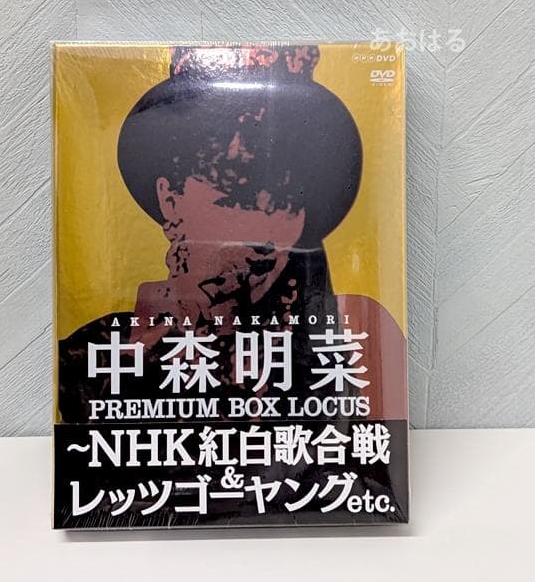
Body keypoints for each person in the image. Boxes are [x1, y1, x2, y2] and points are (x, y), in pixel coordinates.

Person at [58, 45, 406, 424]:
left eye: (287, 202)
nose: (267, 234)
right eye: (235, 197)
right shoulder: (92, 360)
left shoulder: (361, 341)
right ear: (170, 200)